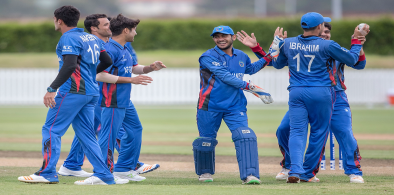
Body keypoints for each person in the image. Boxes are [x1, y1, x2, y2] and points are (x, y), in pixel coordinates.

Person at [237, 21, 369, 184]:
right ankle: (291, 166)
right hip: (310, 96)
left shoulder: (332, 48)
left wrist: (359, 43)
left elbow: (359, 63)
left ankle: (353, 171)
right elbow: (274, 61)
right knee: (284, 130)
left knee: (345, 133)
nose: (324, 34)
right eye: (322, 31)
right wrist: (257, 48)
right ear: (317, 30)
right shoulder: (302, 46)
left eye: (327, 32)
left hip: (336, 97)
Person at [18, 6, 128, 185]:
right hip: (91, 92)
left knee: (52, 129)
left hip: (73, 91)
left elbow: (69, 66)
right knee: (86, 134)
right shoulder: (90, 38)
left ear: (58, 20)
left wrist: (52, 89)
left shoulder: (68, 38)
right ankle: (104, 174)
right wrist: (90, 75)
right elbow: (107, 61)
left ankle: (47, 173)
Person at [269, 12, 364, 183]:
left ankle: (295, 170)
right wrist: (357, 42)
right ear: (319, 27)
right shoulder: (327, 45)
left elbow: (276, 64)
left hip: (296, 91)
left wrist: (276, 44)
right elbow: (352, 59)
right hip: (321, 92)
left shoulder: (288, 43)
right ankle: (306, 173)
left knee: (297, 132)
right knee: (319, 132)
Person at [194, 25, 275, 185]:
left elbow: (251, 69)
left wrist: (269, 56)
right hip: (210, 105)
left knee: (245, 136)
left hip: (235, 106)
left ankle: (250, 175)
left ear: (233, 38)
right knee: (206, 141)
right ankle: (205, 172)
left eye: (224, 36)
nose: (220, 39)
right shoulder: (208, 56)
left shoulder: (242, 55)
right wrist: (250, 87)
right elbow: (225, 76)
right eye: (217, 36)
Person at [96, 14, 166, 182]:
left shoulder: (124, 48)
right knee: (108, 136)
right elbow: (99, 75)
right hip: (111, 100)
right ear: (126, 30)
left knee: (135, 131)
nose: (135, 33)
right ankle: (101, 173)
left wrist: (150, 68)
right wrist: (131, 80)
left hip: (124, 100)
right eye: (134, 30)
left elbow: (133, 68)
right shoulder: (110, 49)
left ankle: (123, 169)